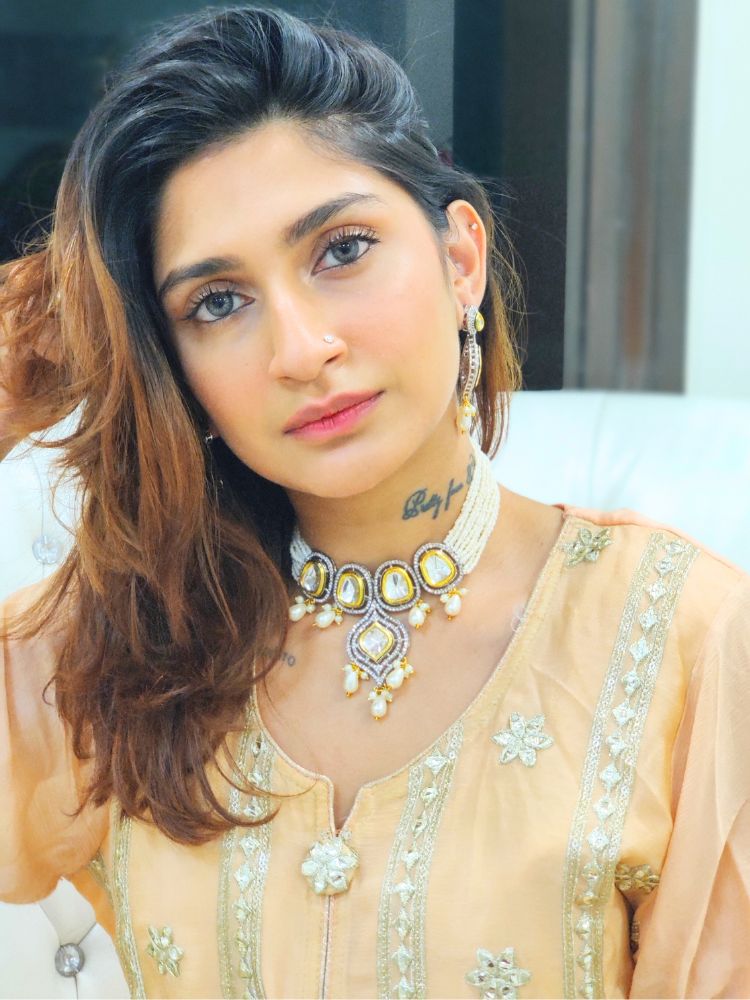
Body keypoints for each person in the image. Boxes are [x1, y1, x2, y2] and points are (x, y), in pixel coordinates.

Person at [0, 6, 748, 998]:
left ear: (460, 259)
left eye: (342, 249)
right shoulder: (120, 637)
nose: (301, 349)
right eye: (218, 303)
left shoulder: (684, 634)